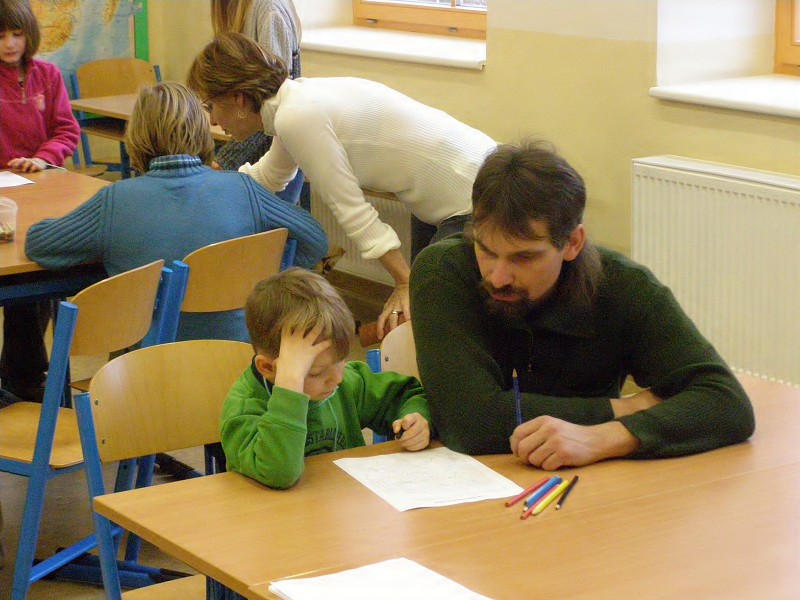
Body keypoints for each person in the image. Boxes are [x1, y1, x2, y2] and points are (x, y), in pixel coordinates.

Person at [410, 139, 756, 470]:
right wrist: (625, 409)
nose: (498, 277)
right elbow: (469, 421)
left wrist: (603, 438)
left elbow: (726, 403)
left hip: (591, 482)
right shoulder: (442, 271)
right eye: (486, 250)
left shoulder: (624, 285)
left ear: (573, 243)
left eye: (524, 257)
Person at [186, 32, 497, 338]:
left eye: (210, 106)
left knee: (433, 319)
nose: (212, 121)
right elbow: (270, 177)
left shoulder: (296, 116)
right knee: (427, 317)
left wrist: (404, 283)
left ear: (239, 100)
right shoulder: (294, 103)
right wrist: (204, 183)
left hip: (474, 192)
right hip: (469, 181)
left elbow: (352, 212)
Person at [25, 81, 328, 343]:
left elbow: (40, 245)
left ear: (136, 136)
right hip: (240, 357)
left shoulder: (116, 200)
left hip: (151, 363)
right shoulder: (244, 189)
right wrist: (260, 271)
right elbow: (315, 239)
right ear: (202, 131)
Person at [221, 267, 431, 490]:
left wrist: (416, 419)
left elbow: (407, 395)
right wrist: (289, 388)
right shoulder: (244, 409)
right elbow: (280, 473)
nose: (337, 378)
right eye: (316, 372)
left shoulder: (348, 382)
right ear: (267, 368)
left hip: (339, 503)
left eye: (340, 361)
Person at [0, 0, 81, 402]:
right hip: (4, 196)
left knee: (41, 273)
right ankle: (24, 373)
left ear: (29, 35)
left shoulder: (47, 76)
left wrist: (42, 157)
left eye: (17, 34)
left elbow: (67, 131)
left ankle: (21, 373)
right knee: (22, 278)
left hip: (44, 190)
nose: (9, 44)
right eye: (1, 36)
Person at [209, 0, 303, 186]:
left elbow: (271, 104)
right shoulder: (235, 8)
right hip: (254, 156)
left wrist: (224, 161)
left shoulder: (269, 9)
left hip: (274, 157)